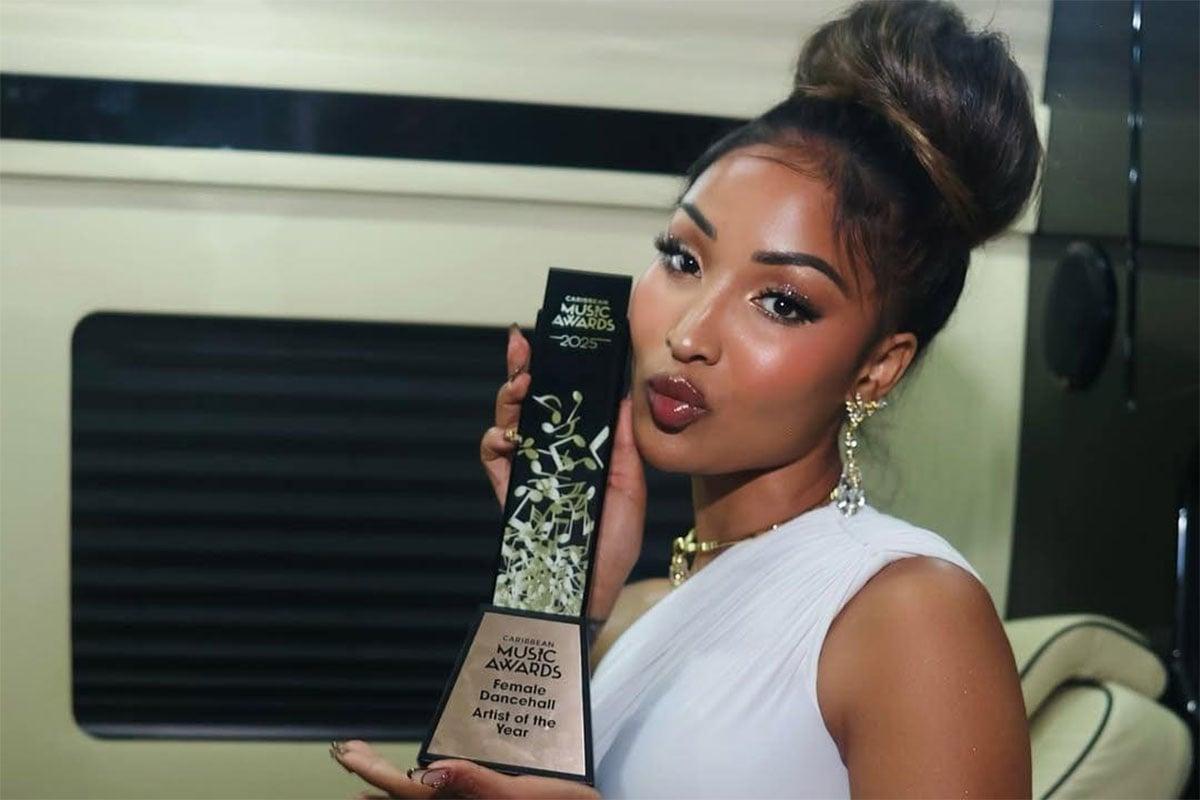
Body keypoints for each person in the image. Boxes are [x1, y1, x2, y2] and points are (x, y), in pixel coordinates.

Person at [330, 0, 1042, 796]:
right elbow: (484, 780)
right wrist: (554, 578)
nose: (691, 332)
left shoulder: (912, 614)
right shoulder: (631, 612)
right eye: (683, 259)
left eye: (781, 302)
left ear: (877, 368)